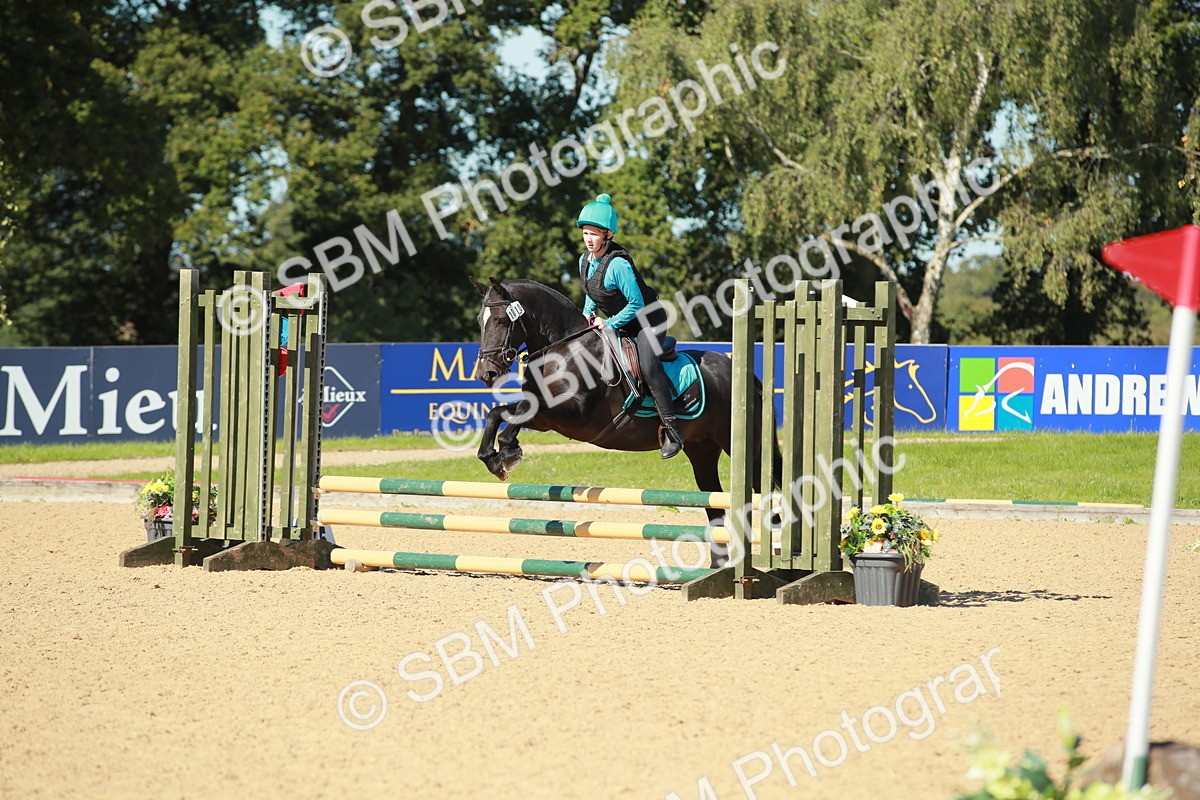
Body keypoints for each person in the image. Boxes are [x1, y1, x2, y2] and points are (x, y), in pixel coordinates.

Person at [576, 193, 683, 459]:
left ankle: (672, 429)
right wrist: (587, 314)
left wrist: (608, 323)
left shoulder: (619, 265)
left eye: (594, 234)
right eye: (586, 233)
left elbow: (636, 304)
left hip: (649, 321)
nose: (589, 239)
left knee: (647, 365)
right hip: (622, 323)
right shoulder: (585, 261)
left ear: (608, 235)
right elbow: (592, 290)